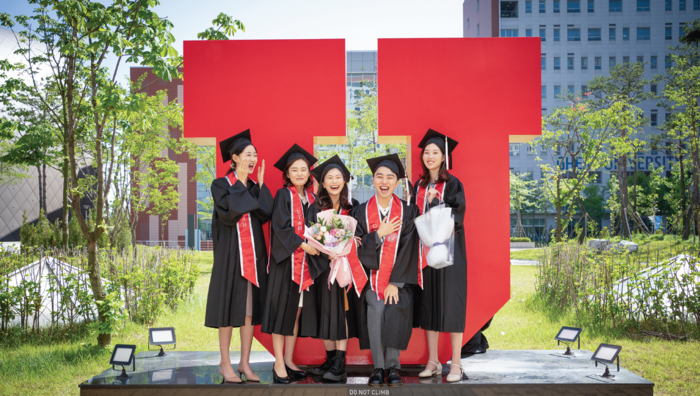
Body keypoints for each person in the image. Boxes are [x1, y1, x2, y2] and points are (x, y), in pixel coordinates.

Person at [205, 129, 273, 384]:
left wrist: (262, 185)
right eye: (247, 154)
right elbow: (229, 214)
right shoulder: (220, 185)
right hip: (231, 258)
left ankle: (245, 362)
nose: (253, 159)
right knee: (227, 310)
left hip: (252, 258)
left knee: (248, 311)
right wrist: (241, 182)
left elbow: (266, 213)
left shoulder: (254, 187)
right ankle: (225, 363)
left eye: (255, 155)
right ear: (233, 158)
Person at [351, 154, 420, 387]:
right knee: (376, 307)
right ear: (373, 180)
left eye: (390, 177)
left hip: (398, 281)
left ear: (396, 183)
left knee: (393, 306)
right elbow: (356, 249)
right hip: (370, 281)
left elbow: (411, 248)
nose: (384, 181)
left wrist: (396, 283)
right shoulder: (360, 212)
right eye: (379, 176)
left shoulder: (409, 211)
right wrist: (378, 234)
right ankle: (378, 368)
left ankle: (393, 367)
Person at [261, 144, 320, 384]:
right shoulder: (284, 195)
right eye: (294, 170)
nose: (299, 173)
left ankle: (288, 359)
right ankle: (278, 363)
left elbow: (319, 229)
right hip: (286, 264)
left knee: (295, 314)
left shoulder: (314, 198)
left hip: (306, 266)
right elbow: (280, 228)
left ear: (309, 173)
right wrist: (304, 245)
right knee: (281, 313)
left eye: (303, 169)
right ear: (287, 174)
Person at [412, 129, 467, 383]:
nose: (430, 156)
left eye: (435, 152)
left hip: (449, 253)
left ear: (444, 157)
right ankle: (433, 361)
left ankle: (456, 363)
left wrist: (438, 202)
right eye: (426, 153)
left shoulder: (453, 184)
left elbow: (458, 217)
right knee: (429, 304)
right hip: (424, 255)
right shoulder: (418, 185)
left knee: (452, 305)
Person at [306, 155, 362, 382]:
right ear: (323, 182)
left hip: (345, 272)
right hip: (323, 269)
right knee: (325, 314)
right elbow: (311, 239)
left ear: (345, 181)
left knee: (342, 315)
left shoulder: (353, 207)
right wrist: (325, 250)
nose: (334, 181)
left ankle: (340, 363)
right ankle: (330, 358)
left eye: (338, 177)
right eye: (329, 177)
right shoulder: (315, 208)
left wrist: (352, 243)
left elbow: (360, 236)